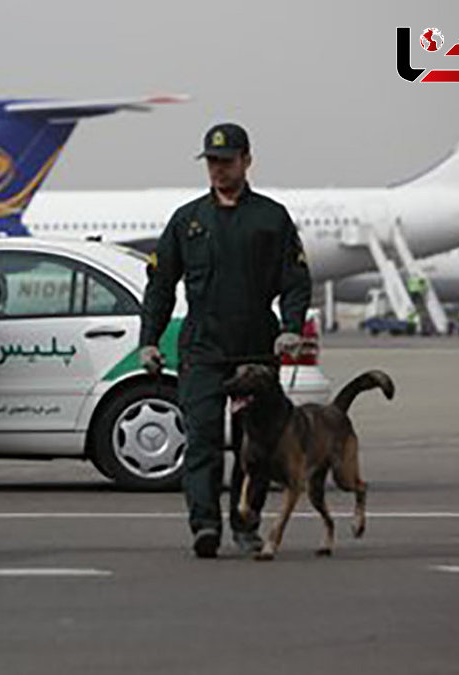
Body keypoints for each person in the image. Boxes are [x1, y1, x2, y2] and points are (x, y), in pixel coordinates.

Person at [138, 123, 312, 559]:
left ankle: (245, 523)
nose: (218, 169)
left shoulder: (271, 218)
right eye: (212, 161)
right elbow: (160, 285)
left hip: (255, 350)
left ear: (247, 161)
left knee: (255, 449)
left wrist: (291, 326)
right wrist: (149, 340)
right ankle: (205, 525)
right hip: (202, 349)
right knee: (202, 441)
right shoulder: (188, 219)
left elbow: (296, 280)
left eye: (226, 161)